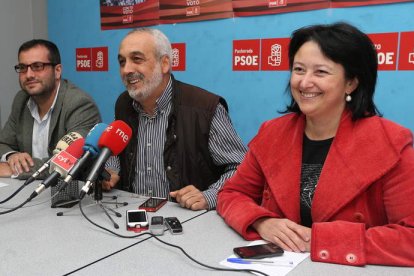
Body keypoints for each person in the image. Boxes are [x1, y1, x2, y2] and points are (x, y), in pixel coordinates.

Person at [217, 22, 414, 266]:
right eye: (299, 69)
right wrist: (261, 221)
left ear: (351, 83)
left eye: (320, 72)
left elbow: (410, 238)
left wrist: (321, 240)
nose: (304, 82)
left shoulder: (391, 142)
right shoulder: (273, 132)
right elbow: (232, 193)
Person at [103, 28, 247, 211]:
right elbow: (116, 150)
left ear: (164, 64)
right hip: (132, 216)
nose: (127, 70)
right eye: (122, 62)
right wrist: (112, 169)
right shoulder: (124, 104)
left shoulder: (204, 108)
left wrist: (208, 196)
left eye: (136, 59)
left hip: (191, 221)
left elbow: (242, 168)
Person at [0, 39, 101, 178]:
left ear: (57, 71)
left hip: (69, 193)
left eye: (37, 66)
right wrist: (12, 156)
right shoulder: (21, 99)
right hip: (27, 190)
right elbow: (4, 143)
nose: (29, 74)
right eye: (23, 67)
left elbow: (68, 162)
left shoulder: (79, 104)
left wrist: (16, 169)